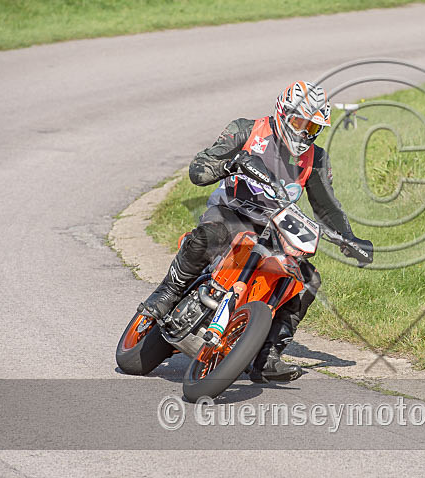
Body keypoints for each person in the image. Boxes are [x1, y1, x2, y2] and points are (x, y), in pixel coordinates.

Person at [140, 81, 373, 382]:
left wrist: (350, 239)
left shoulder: (316, 159)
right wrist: (231, 164)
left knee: (307, 278)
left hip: (274, 228)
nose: (305, 133)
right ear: (283, 113)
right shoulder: (246, 130)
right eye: (301, 122)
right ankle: (167, 293)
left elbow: (327, 208)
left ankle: (268, 355)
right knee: (211, 235)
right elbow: (199, 169)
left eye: (313, 128)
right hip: (231, 211)